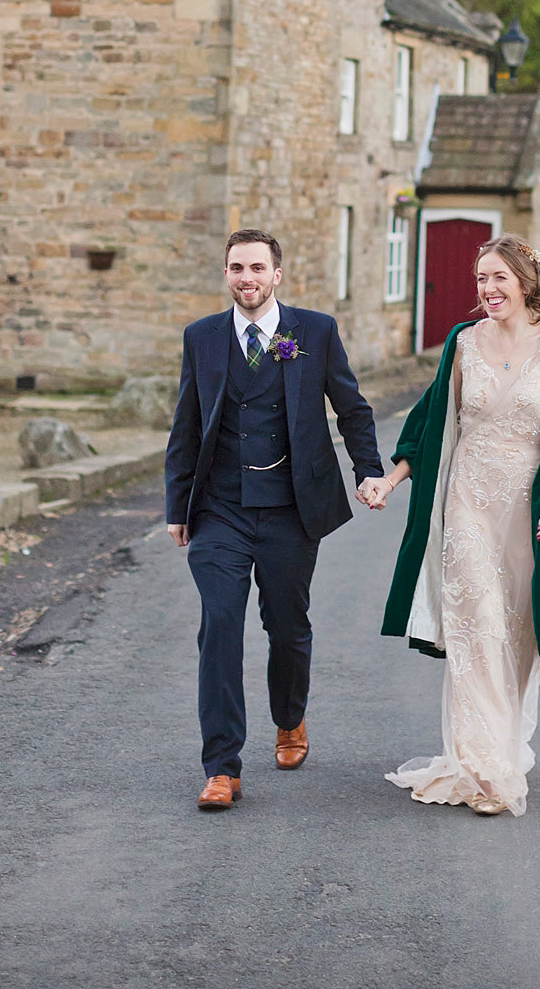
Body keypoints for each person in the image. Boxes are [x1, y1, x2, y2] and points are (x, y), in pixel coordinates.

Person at [359, 234, 540, 817]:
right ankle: (484, 771)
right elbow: (433, 421)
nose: (486, 290)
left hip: (529, 510)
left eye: (498, 279)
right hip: (467, 506)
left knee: (517, 639)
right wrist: (393, 476)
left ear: (527, 283)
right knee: (476, 629)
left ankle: (499, 751)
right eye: (480, 279)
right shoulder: (462, 344)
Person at [165, 229, 384, 811]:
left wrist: (369, 471)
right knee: (219, 627)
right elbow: (187, 423)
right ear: (227, 273)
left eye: (257, 268)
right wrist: (176, 506)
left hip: (291, 508)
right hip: (220, 510)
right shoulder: (202, 338)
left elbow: (351, 407)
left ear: (277, 275)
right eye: (237, 268)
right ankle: (221, 767)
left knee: (286, 627)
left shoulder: (313, 331)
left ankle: (289, 718)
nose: (247, 278)